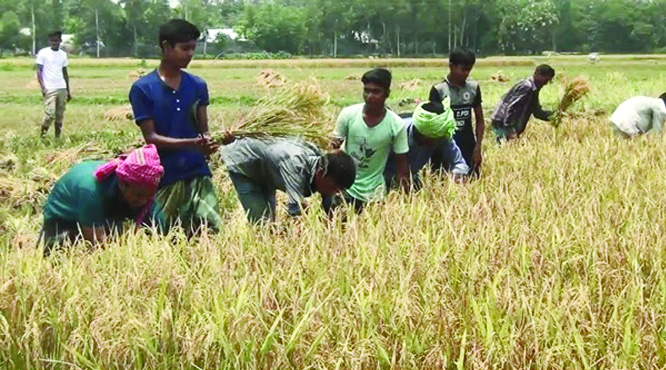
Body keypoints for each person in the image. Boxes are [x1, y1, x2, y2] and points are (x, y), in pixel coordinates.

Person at [129, 19, 224, 233]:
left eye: (193, 48)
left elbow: (204, 132)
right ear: (165, 46)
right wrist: (192, 143)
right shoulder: (143, 89)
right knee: (162, 234)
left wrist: (215, 142)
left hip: (197, 172)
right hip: (164, 175)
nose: (190, 54)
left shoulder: (198, 85)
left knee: (210, 230)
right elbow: (151, 138)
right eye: (184, 48)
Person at [39, 144, 165, 255]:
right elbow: (97, 247)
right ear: (123, 184)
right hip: (65, 220)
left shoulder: (143, 190)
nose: (144, 201)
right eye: (139, 195)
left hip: (105, 207)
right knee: (63, 258)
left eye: (149, 196)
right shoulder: (91, 191)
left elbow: (161, 230)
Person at [221, 137, 356, 223]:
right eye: (333, 188)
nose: (333, 193)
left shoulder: (325, 168)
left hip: (269, 170)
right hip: (244, 162)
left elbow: (329, 208)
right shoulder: (296, 165)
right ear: (321, 174)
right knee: (262, 224)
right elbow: (295, 212)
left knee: (270, 220)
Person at [331, 68, 410, 212]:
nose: (369, 96)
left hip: (374, 193)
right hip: (345, 189)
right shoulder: (348, 115)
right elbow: (333, 149)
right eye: (366, 91)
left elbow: (402, 166)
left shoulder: (396, 125)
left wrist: (406, 202)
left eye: (376, 92)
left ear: (387, 94)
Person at [384, 100, 469, 191]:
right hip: (382, 181)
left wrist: (457, 175)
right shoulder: (396, 131)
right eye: (431, 138)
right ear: (420, 132)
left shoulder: (440, 134)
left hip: (412, 179)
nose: (435, 142)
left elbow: (458, 162)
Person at [429, 48, 484, 176]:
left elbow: (480, 119)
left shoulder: (473, 88)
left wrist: (478, 147)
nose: (466, 73)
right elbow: (433, 122)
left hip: (467, 145)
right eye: (463, 69)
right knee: (442, 183)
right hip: (444, 146)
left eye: (469, 70)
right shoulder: (439, 90)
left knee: (470, 183)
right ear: (452, 66)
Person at [491, 64, 556, 141]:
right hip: (502, 121)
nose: (545, 84)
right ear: (538, 74)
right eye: (546, 80)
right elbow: (512, 108)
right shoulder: (526, 87)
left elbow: (537, 112)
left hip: (507, 121)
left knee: (509, 146)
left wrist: (555, 116)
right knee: (504, 145)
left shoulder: (534, 89)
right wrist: (510, 129)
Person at [36, 31, 72, 139]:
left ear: (60, 41)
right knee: (50, 114)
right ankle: (42, 136)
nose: (54, 42)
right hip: (50, 88)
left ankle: (57, 138)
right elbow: (39, 71)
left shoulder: (63, 55)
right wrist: (43, 88)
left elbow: (65, 73)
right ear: (49, 41)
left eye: (56, 40)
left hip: (62, 87)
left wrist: (68, 91)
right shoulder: (43, 53)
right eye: (52, 40)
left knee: (59, 115)